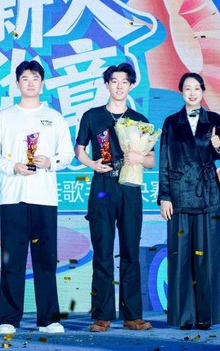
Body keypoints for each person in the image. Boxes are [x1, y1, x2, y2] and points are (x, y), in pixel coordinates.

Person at [0, 60, 74, 335]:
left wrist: (50, 162)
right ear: (17, 83)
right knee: (12, 260)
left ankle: (49, 319)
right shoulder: (3, 118)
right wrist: (12, 166)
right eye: (25, 78)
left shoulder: (54, 118)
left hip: (44, 197)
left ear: (43, 83)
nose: (30, 83)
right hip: (12, 197)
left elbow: (67, 154)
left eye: (35, 78)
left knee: (45, 259)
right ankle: (8, 319)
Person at [75, 62, 154, 332]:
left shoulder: (140, 119)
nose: (119, 86)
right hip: (103, 185)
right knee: (103, 251)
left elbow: (151, 160)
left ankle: (132, 316)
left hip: (130, 187)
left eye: (124, 82)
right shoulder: (92, 116)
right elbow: (79, 150)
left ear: (131, 85)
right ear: (107, 84)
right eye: (114, 81)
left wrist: (139, 158)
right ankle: (102, 315)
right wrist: (92, 164)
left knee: (131, 251)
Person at [158, 72, 220, 330]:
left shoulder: (214, 119)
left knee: (206, 256)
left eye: (196, 88)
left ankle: (205, 316)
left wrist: (217, 145)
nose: (192, 93)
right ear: (181, 92)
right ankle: (183, 317)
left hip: (207, 194)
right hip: (178, 196)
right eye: (187, 88)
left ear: (202, 91)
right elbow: (164, 161)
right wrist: (164, 196)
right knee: (181, 256)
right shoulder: (171, 122)